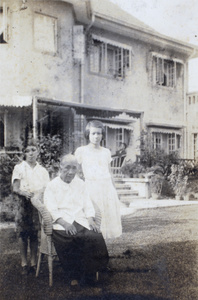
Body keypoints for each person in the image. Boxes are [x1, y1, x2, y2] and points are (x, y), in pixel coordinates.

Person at [44, 154, 109, 288]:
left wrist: (90, 219)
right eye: (67, 168)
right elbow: (51, 209)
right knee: (69, 238)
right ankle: (73, 276)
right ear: (60, 167)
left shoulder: (80, 184)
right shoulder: (52, 186)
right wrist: (64, 223)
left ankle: (90, 274)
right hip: (61, 222)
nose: (71, 172)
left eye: (74, 168)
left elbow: (87, 203)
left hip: (80, 219)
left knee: (94, 236)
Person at [75, 120, 122, 239]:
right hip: (91, 186)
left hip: (106, 188)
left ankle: (102, 249)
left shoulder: (106, 152)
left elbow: (109, 173)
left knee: (107, 218)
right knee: (93, 216)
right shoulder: (81, 151)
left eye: (99, 134)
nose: (96, 136)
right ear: (88, 135)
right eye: (93, 133)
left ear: (102, 135)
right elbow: (75, 172)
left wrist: (114, 190)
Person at [12, 139, 50, 275]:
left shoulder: (42, 170)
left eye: (33, 150)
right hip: (23, 204)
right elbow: (15, 188)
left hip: (36, 204)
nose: (30, 153)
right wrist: (24, 192)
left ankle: (33, 262)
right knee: (22, 234)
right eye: (27, 151)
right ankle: (24, 263)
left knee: (34, 234)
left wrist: (39, 194)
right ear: (24, 153)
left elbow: (47, 187)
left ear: (38, 152)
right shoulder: (19, 168)